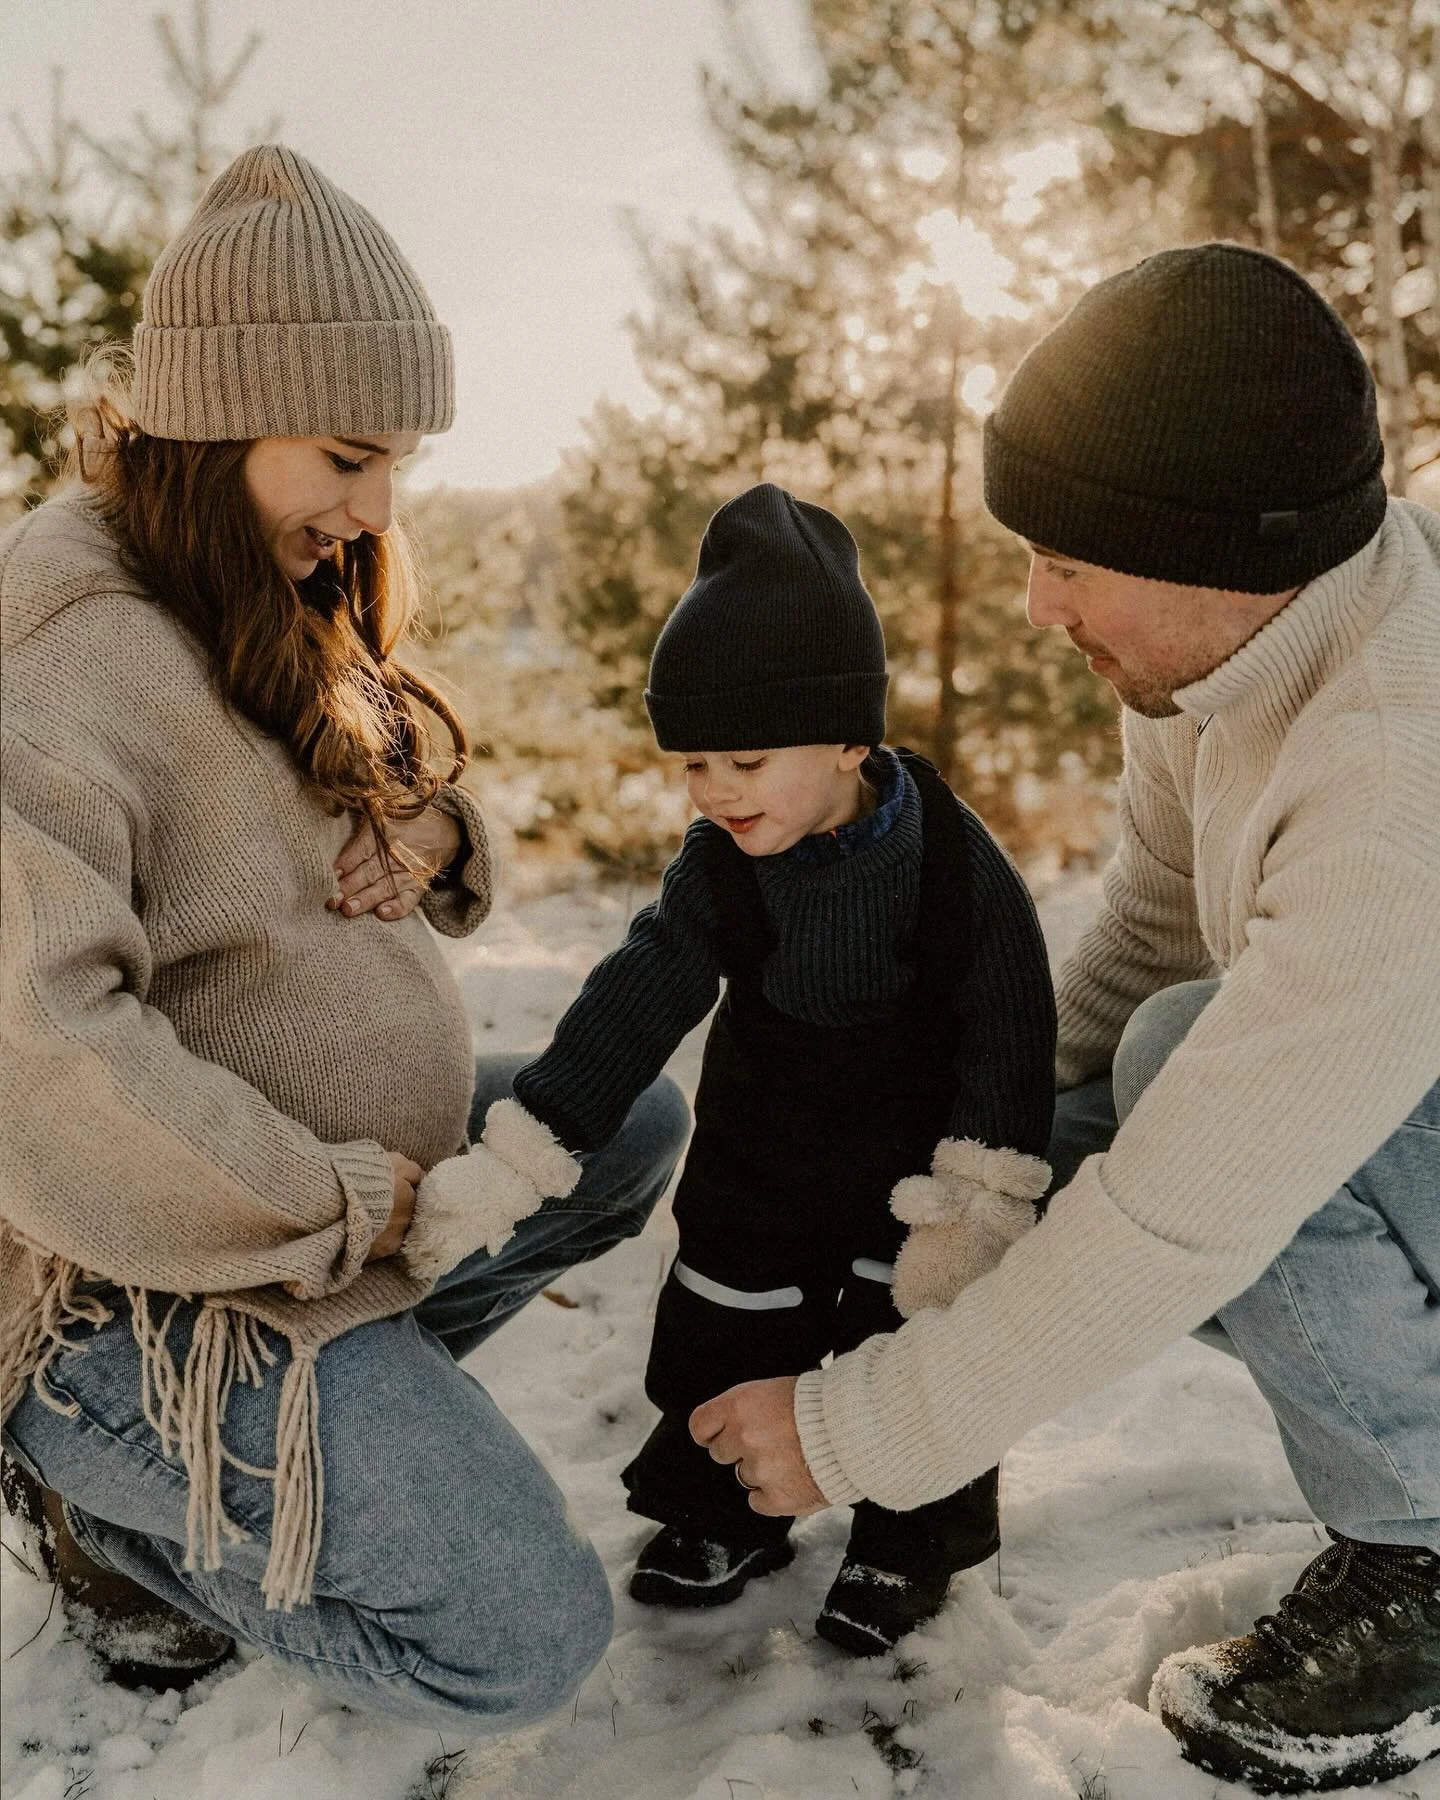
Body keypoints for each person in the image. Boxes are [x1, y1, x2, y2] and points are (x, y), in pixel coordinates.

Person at [691, 247, 1440, 1792]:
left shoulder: (1393, 776)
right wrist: (967, 1146)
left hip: (1365, 1096)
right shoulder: (1222, 665)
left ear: (1219, 554)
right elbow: (1152, 938)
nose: (1036, 605)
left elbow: (1194, 1203)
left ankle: (1428, 1575)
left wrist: (864, 1433)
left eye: (1070, 558)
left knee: (1187, 1075)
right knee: (1097, 1089)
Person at [0, 143, 688, 1728]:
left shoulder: (246, 569)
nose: (378, 509)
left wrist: (441, 836)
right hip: (153, 1278)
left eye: (400, 466)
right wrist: (334, 1201)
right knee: (523, 1642)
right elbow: (46, 1052)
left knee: (625, 1121)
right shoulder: (66, 646)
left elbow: (395, 798)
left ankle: (348, 1411)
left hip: (324, 1214)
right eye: (348, 458)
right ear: (216, 419)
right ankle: (113, 1502)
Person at [469, 481, 1057, 1655]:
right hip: (767, 1131)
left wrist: (980, 1194)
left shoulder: (947, 859)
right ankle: (717, 1505)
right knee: (728, 1312)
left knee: (909, 1325)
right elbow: (636, 1000)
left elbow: (1010, 1016)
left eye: (744, 759)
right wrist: (539, 1135)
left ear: (849, 739)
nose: (717, 791)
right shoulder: (723, 865)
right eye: (692, 766)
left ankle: (908, 1536)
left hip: (911, 1144)